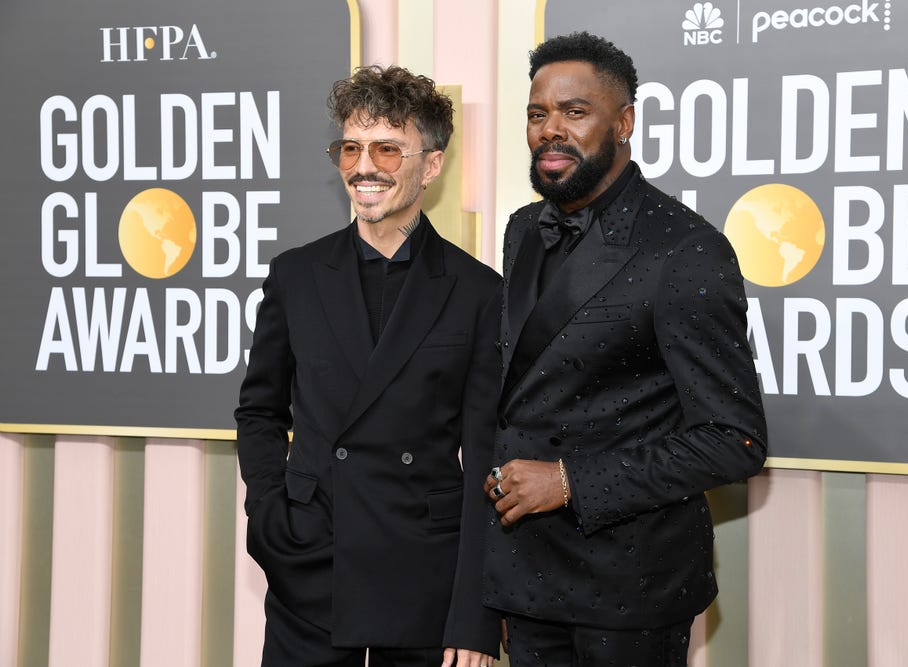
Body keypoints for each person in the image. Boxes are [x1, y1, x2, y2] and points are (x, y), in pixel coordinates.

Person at [482, 32, 768, 666]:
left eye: (575, 112)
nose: (550, 130)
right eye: (537, 114)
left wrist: (568, 480)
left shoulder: (687, 250)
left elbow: (735, 438)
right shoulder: (523, 228)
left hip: (630, 589)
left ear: (625, 122)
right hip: (525, 576)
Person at [236, 64, 501, 667]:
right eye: (351, 148)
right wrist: (269, 517)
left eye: (387, 148)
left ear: (431, 165)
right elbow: (259, 410)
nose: (364, 167)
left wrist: (475, 619)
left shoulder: (478, 292)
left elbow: (486, 456)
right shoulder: (296, 276)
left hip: (422, 583)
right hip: (309, 569)